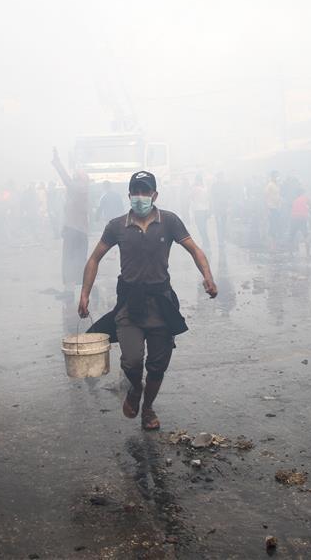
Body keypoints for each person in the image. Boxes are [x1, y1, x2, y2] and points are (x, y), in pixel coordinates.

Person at [80, 171, 217, 431]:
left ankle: (148, 407)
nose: (140, 197)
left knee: (158, 364)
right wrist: (85, 293)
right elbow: (94, 258)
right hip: (130, 304)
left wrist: (208, 277)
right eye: (136, 192)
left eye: (145, 192)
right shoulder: (116, 226)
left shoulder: (170, 221)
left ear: (155, 195)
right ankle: (135, 389)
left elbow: (195, 250)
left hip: (161, 302)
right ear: (129, 195)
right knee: (131, 361)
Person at [51, 148, 90, 288]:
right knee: (74, 258)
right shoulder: (78, 189)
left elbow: (67, 181)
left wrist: (58, 164)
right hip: (75, 229)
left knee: (73, 258)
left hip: (77, 230)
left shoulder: (79, 188)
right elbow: (68, 211)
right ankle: (73, 284)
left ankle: (74, 283)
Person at [289, 186, 311, 258]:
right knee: (306, 235)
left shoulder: (295, 200)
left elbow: (292, 209)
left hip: (294, 218)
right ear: (303, 193)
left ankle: (291, 253)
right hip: (302, 218)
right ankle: (308, 254)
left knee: (292, 235)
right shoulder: (305, 198)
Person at [210, 171, 230, 249]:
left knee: (222, 224)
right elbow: (212, 197)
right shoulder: (216, 185)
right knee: (219, 224)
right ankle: (221, 239)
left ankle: (222, 239)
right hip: (218, 208)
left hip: (222, 207)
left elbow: (229, 196)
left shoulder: (223, 185)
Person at [191, 174, 211, 250]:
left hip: (198, 210)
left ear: (197, 180)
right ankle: (206, 242)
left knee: (201, 227)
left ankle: (206, 242)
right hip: (205, 210)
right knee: (204, 227)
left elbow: (191, 197)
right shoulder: (205, 188)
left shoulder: (195, 188)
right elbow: (208, 199)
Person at [265, 171, 282, 251]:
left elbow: (277, 196)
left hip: (277, 207)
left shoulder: (276, 185)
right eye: (275, 176)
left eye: (277, 176)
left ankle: (275, 244)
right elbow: (266, 197)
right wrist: (267, 208)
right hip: (271, 207)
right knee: (272, 226)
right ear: (272, 177)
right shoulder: (270, 185)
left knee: (276, 225)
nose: (276, 178)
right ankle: (271, 245)